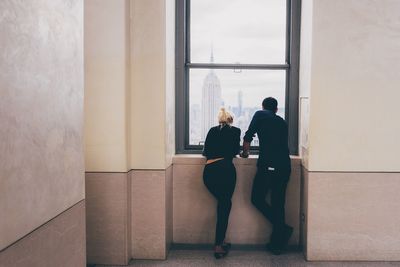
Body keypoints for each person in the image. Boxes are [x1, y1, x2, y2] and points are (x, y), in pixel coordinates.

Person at [240, 97, 292, 255]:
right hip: (285, 166)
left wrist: (245, 152)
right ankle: (277, 244)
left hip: (268, 165)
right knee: (278, 204)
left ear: (263, 107)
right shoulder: (281, 121)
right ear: (276, 110)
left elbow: (248, 136)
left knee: (256, 198)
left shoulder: (260, 114)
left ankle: (282, 229)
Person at [202, 108, 241, 259]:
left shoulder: (212, 130)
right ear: (231, 120)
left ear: (219, 120)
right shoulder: (235, 131)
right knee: (225, 206)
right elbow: (235, 151)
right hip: (225, 170)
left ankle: (221, 240)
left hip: (209, 172)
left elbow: (205, 152)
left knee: (223, 204)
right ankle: (218, 245)